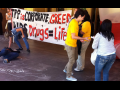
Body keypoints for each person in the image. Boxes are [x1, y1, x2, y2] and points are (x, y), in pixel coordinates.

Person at [63, 9, 89, 81]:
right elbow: (73, 36)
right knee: (72, 60)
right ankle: (68, 75)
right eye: (83, 17)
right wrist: (82, 38)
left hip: (73, 44)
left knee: (75, 58)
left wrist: (80, 38)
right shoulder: (74, 23)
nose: (83, 18)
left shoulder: (75, 22)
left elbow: (75, 34)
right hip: (70, 44)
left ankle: (66, 69)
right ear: (79, 16)